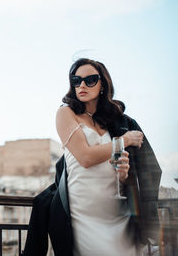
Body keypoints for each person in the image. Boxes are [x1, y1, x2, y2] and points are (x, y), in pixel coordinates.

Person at [53, 58, 161, 255]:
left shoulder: (113, 122)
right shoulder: (65, 113)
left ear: (103, 84)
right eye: (76, 80)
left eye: (90, 80)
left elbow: (120, 172)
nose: (82, 85)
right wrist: (125, 140)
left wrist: (123, 173)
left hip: (118, 211)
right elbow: (85, 158)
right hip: (85, 213)